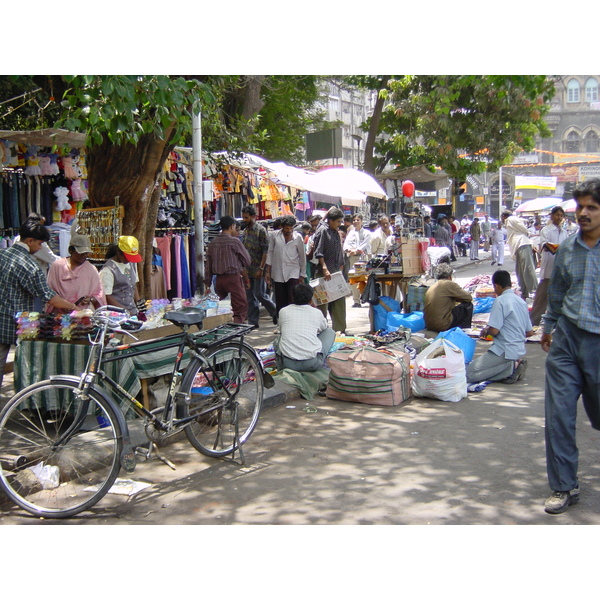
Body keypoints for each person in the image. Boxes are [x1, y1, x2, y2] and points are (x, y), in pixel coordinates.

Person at [541, 178, 600, 515]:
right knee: (559, 416)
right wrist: (549, 326)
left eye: (592, 207)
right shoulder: (567, 250)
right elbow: (558, 293)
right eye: (581, 208)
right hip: (566, 341)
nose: (584, 214)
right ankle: (564, 485)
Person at [0, 218, 81, 392]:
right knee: (28, 369)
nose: (40, 248)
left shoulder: (2, 255)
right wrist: (74, 308)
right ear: (29, 241)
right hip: (18, 326)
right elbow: (49, 297)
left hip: (4, 321)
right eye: (40, 243)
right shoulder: (29, 265)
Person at [466, 270, 533, 384]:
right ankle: (512, 366)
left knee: (468, 375)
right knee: (478, 369)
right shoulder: (521, 302)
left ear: (496, 286)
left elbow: (494, 331)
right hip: (518, 349)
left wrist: (486, 331)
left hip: (503, 350)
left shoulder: (500, 301)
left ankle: (511, 368)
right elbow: (529, 332)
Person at [273, 283, 336, 372]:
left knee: (278, 339)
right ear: (311, 299)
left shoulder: (283, 311)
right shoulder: (317, 312)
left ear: (293, 297)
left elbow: (281, 330)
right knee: (330, 332)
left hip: (287, 364)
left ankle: (279, 366)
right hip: (312, 364)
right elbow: (324, 328)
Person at [205, 216, 251, 324]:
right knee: (240, 305)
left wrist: (207, 284)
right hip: (233, 278)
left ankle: (221, 325)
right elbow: (247, 260)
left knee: (219, 305)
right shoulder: (234, 242)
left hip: (219, 280)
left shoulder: (213, 244)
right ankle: (237, 327)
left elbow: (208, 267)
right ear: (232, 226)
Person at [46, 234, 106, 314]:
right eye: (80, 253)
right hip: (59, 315)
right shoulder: (57, 266)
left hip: (82, 314)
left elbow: (99, 294)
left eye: (86, 253)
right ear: (71, 250)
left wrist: (90, 299)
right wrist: (63, 304)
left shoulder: (91, 270)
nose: (84, 256)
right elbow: (49, 292)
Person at [529, 206, 568, 327]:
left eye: (561, 215)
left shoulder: (564, 232)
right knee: (542, 297)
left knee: (559, 297)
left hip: (560, 268)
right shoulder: (546, 230)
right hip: (549, 268)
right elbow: (545, 246)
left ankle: (556, 323)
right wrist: (559, 248)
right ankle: (532, 322)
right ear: (552, 216)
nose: (559, 217)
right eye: (557, 215)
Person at [241, 205, 277, 328]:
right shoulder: (245, 231)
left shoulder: (261, 230)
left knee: (260, 294)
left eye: (246, 217)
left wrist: (261, 269)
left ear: (253, 217)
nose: (244, 220)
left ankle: (276, 314)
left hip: (258, 269)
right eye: (243, 217)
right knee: (250, 297)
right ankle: (253, 322)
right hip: (248, 269)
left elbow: (265, 251)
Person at [312, 206, 347, 334]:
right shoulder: (322, 231)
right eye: (337, 221)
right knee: (323, 304)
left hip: (336, 273)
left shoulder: (335, 232)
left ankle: (340, 330)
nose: (339, 224)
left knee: (339, 303)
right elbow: (319, 252)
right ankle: (322, 331)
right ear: (331, 221)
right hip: (323, 273)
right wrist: (324, 268)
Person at [265, 215, 306, 317]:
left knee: (292, 298)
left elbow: (302, 257)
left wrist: (302, 274)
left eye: (291, 228)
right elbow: (270, 253)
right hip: (278, 271)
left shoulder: (298, 238)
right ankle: (281, 322)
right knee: (280, 300)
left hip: (293, 271)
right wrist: (267, 272)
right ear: (282, 227)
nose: (289, 230)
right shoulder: (274, 236)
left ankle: (292, 320)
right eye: (287, 228)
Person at [100, 236, 143, 316]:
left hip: (132, 310)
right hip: (117, 314)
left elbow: (133, 285)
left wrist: (138, 302)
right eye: (127, 257)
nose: (129, 260)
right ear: (119, 252)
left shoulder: (132, 263)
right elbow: (107, 296)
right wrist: (124, 311)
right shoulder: (108, 270)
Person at [423, 263, 474, 332]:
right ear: (450, 276)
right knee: (468, 305)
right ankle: (464, 331)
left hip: (429, 324)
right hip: (442, 325)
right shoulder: (448, 284)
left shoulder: (433, 286)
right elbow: (468, 297)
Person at [501, 210, 538, 300]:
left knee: (527, 269)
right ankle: (524, 292)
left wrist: (528, 234)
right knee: (520, 271)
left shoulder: (511, 219)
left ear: (503, 216)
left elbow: (524, 230)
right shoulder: (509, 221)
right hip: (518, 246)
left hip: (522, 244)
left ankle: (534, 291)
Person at [343, 214, 371, 307]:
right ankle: (356, 301)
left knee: (364, 279)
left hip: (364, 258)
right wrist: (349, 250)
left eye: (358, 220)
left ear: (361, 221)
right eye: (354, 220)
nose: (355, 222)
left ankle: (365, 297)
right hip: (353, 258)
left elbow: (364, 244)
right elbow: (346, 244)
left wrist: (357, 250)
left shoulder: (367, 233)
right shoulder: (351, 233)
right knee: (354, 278)